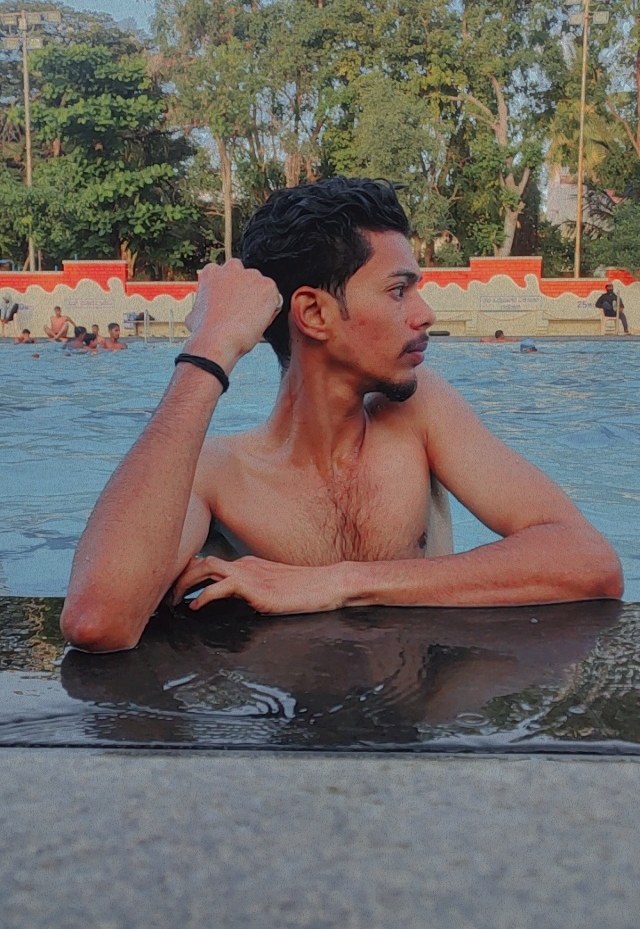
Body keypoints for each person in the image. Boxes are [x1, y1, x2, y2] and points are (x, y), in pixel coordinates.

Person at [61, 177, 623, 654]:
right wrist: (209, 349)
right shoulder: (218, 473)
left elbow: (589, 562)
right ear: (313, 313)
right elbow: (98, 620)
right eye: (399, 291)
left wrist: (337, 583)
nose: (425, 314)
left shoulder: (418, 413)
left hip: (416, 730)